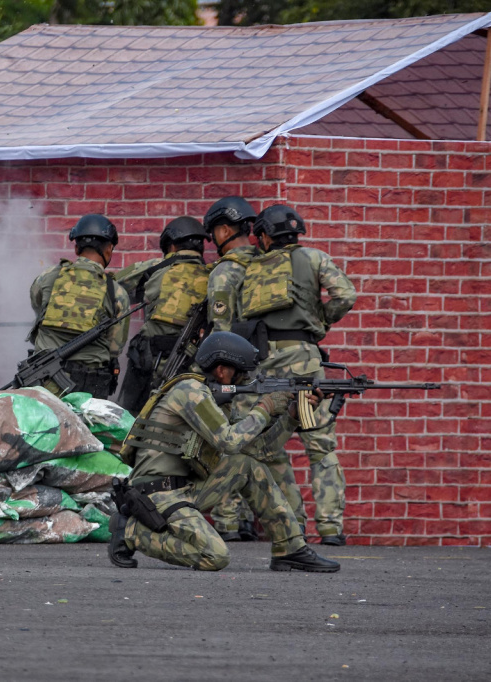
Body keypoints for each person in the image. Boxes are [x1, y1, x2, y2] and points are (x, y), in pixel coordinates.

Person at [108, 331, 340, 573]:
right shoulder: (189, 391)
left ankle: (290, 549)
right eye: (240, 373)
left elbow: (261, 450)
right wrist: (265, 407)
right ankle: (130, 532)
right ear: (221, 370)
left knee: (247, 465)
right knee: (215, 556)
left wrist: (291, 417)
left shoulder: (214, 401)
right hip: (158, 494)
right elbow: (228, 441)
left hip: (185, 489)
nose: (244, 379)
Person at [205, 199, 357, 545]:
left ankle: (293, 524)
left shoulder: (250, 267)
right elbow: (346, 295)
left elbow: (229, 323)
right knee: (319, 446)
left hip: (265, 361)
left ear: (264, 236)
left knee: (265, 447)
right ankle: (331, 527)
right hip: (306, 360)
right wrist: (320, 321)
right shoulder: (315, 258)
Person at [27, 214, 131, 399]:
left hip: (44, 381)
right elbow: (115, 348)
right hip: (89, 388)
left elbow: (38, 308)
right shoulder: (116, 293)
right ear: (108, 249)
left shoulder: (47, 277)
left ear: (76, 248)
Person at [114, 216, 209, 414]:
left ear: (171, 245)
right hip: (193, 366)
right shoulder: (215, 275)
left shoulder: (155, 268)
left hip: (148, 363)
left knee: (130, 419)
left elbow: (111, 288)